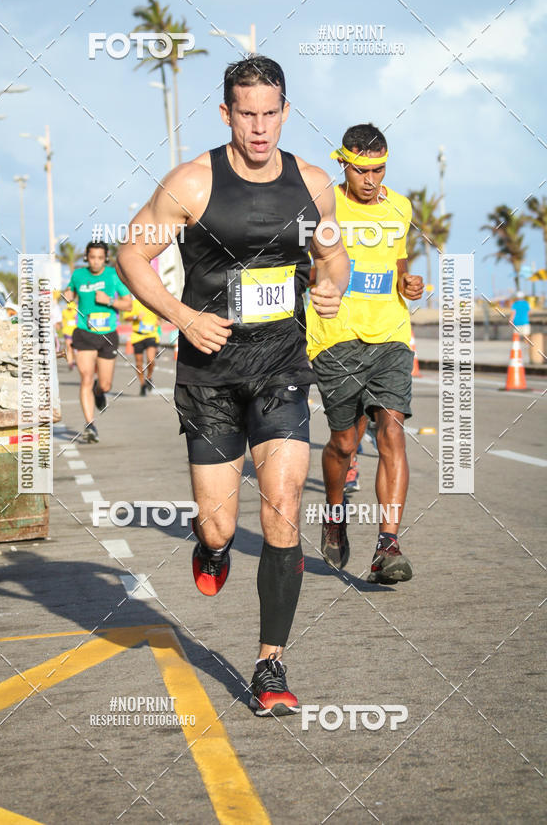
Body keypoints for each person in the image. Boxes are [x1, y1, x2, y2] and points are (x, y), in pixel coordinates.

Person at [117, 55, 349, 717]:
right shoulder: (191, 183)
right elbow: (133, 252)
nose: (259, 127)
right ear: (226, 114)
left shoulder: (313, 184)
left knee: (282, 505)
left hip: (281, 367)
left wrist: (331, 286)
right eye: (246, 114)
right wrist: (183, 315)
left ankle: (270, 663)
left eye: (270, 113)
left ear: (285, 111)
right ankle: (212, 547)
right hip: (210, 374)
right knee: (219, 525)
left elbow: (333, 255)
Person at [306, 123, 424, 582]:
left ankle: (387, 546)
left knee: (391, 430)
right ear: (343, 164)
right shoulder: (323, 206)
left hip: (391, 333)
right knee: (344, 443)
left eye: (378, 170)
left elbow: (398, 263)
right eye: (361, 171)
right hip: (335, 337)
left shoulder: (400, 206)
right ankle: (335, 514)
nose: (370, 180)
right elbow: (305, 267)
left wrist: (407, 283)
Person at [62, 241, 132, 442]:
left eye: (100, 258)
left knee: (105, 384)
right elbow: (69, 293)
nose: (96, 262)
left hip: (108, 335)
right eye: (92, 257)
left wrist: (109, 301)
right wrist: (67, 295)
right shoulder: (78, 275)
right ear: (87, 257)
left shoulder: (113, 275)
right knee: (86, 377)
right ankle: (90, 425)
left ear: (106, 258)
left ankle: (98, 391)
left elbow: (128, 304)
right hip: (84, 333)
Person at [123, 297, 160, 395]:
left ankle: (149, 377)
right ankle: (142, 384)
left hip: (151, 335)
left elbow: (161, 314)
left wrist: (159, 320)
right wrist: (135, 317)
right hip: (137, 336)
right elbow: (126, 317)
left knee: (150, 360)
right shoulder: (134, 303)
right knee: (139, 363)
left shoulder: (153, 302)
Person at [61, 298, 78, 369]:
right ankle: (70, 363)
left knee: (75, 348)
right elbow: (63, 321)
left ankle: (76, 360)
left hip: (76, 332)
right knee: (69, 347)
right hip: (67, 332)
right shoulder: (64, 311)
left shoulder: (77, 311)